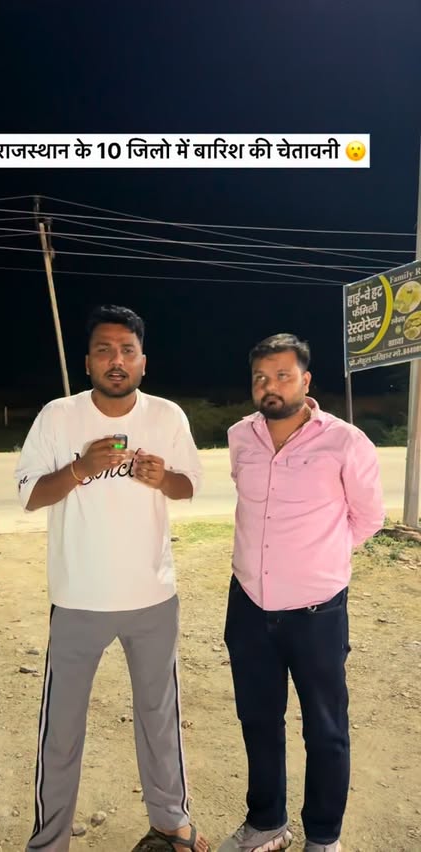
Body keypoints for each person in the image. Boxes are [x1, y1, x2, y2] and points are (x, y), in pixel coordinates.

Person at [15, 304, 210, 852]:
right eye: (104, 350)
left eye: (127, 350)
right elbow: (30, 494)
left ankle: (171, 823)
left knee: (159, 718)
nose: (116, 360)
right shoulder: (58, 416)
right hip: (78, 598)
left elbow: (190, 485)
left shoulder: (166, 416)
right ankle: (49, 841)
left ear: (143, 361)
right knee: (61, 729)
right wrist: (80, 468)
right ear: (87, 362)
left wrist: (163, 478)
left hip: (152, 596)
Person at [219, 334, 384, 852]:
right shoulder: (240, 436)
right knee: (257, 720)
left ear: (305, 380)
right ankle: (267, 822)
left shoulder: (345, 442)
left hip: (317, 612)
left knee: (325, 729)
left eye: (282, 376)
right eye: (261, 378)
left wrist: (319, 558)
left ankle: (323, 838)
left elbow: (368, 517)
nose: (270, 386)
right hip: (249, 606)